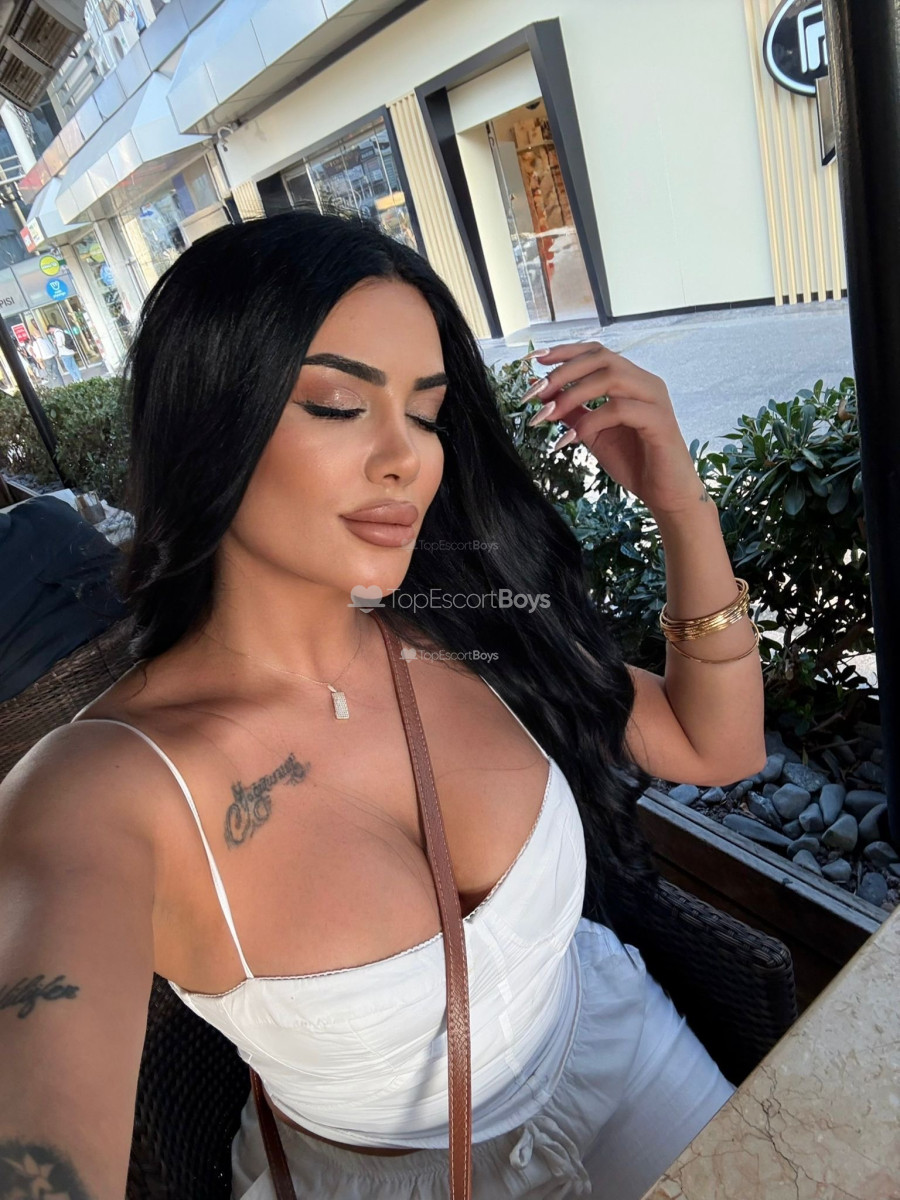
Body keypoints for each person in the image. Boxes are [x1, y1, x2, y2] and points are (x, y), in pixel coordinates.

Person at [0, 211, 766, 1200]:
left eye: (427, 412)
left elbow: (717, 744)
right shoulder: (100, 789)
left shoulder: (467, 619)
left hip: (626, 1055)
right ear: (209, 423)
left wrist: (681, 503)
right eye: (337, 404)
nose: (408, 457)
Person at [26, 321, 65, 386]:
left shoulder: (35, 344)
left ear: (35, 336)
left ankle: (56, 386)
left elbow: (38, 354)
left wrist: (39, 360)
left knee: (50, 374)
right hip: (52, 357)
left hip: (45, 360)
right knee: (57, 372)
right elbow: (53, 350)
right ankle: (62, 385)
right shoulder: (45, 340)